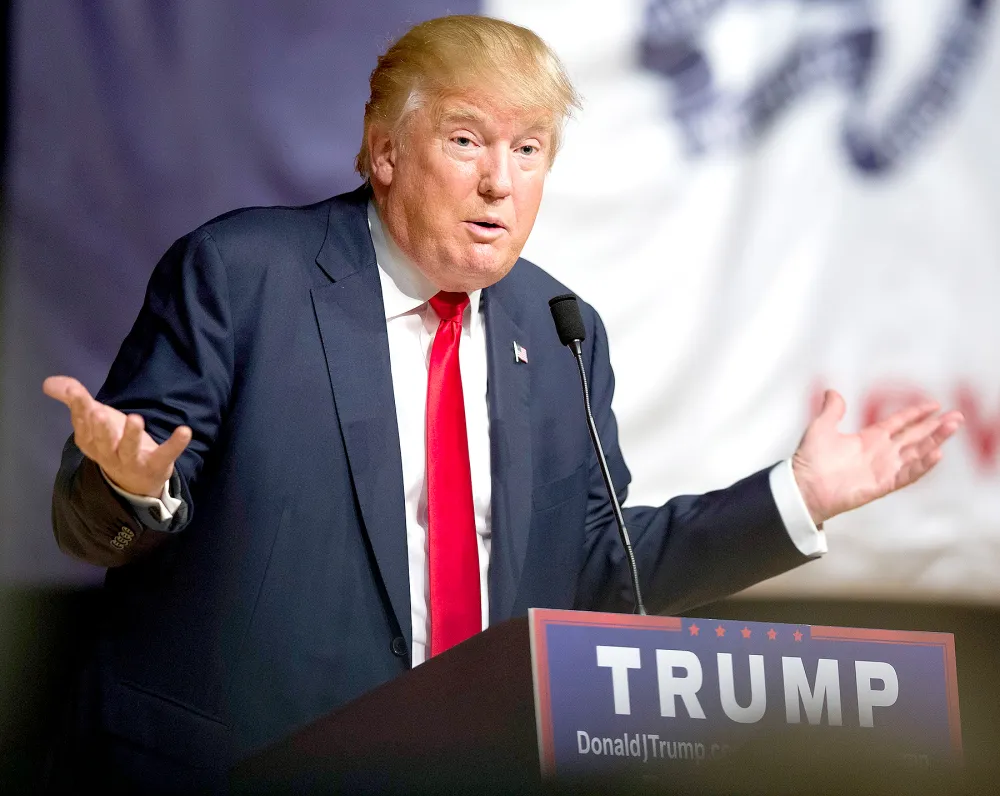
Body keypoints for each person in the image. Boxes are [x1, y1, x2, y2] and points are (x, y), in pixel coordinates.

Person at [41, 14, 962, 792]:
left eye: (528, 150)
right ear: (385, 150)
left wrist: (796, 496)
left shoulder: (562, 330)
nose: (500, 182)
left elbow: (599, 572)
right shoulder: (243, 276)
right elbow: (102, 523)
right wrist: (132, 487)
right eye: (466, 140)